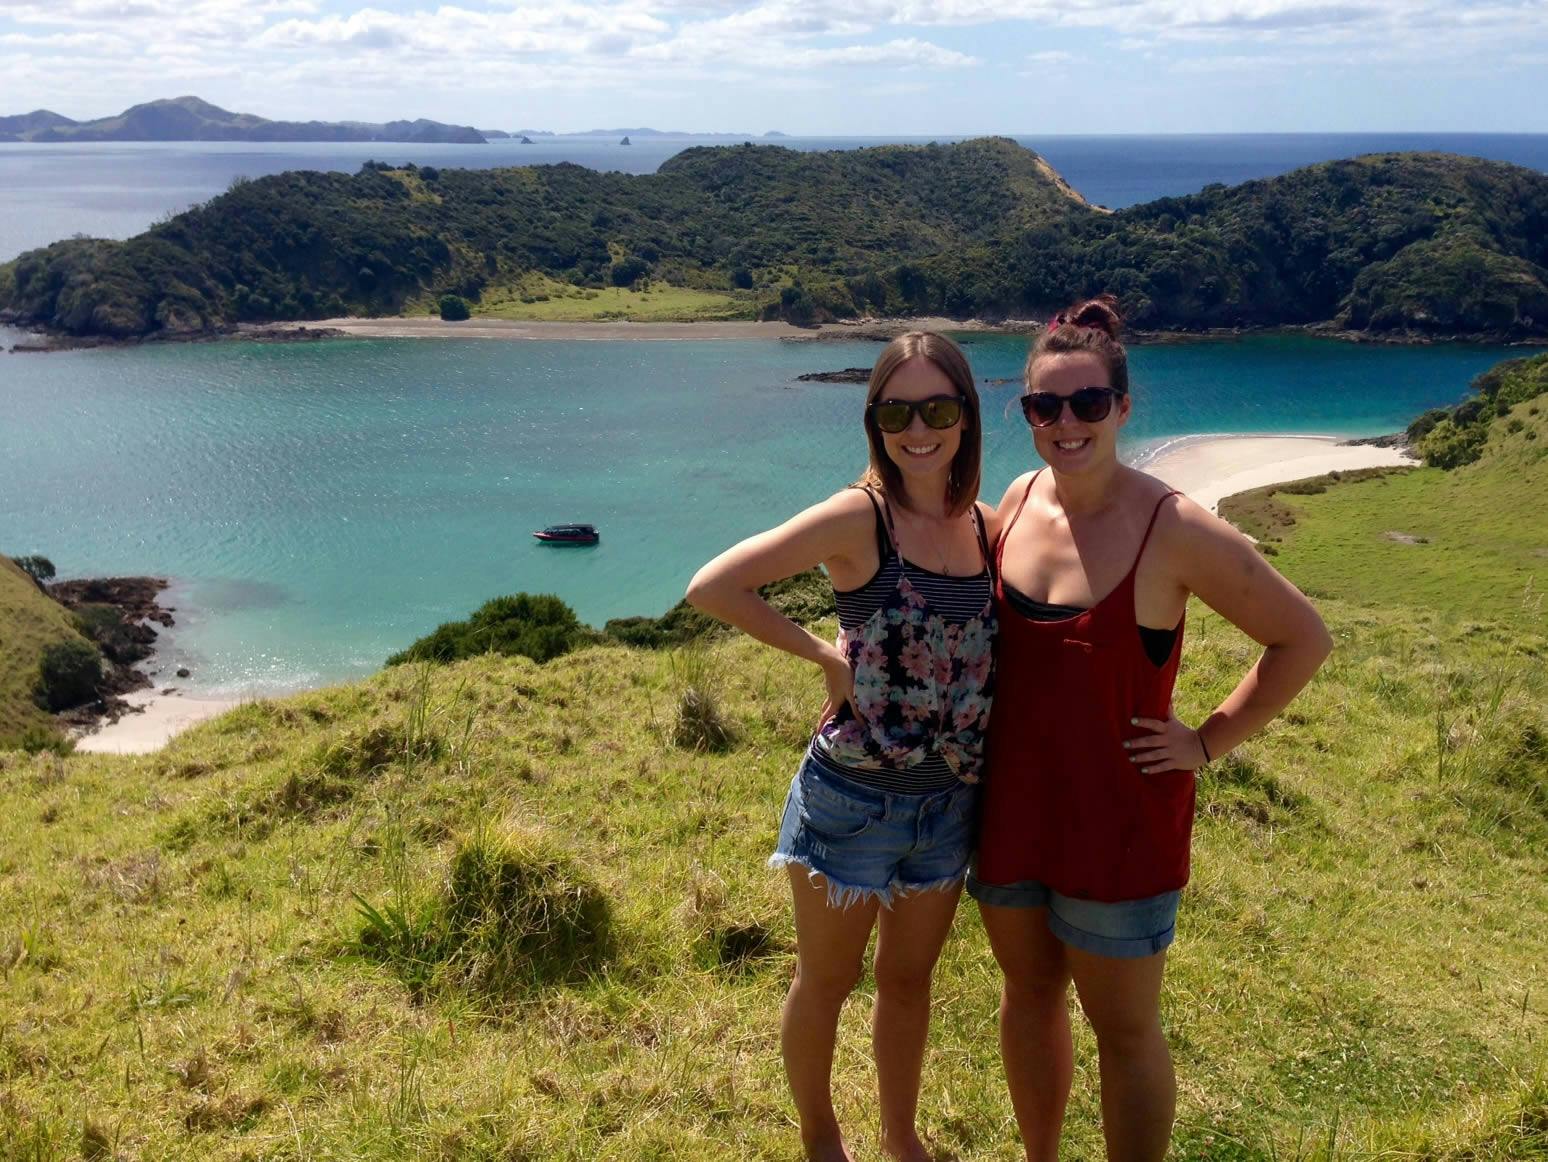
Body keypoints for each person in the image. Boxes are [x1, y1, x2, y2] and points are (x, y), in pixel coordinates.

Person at [968, 296, 1334, 1162]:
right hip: (1012, 810)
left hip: (1121, 824)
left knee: (1124, 1032)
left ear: (1124, 408)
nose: (1067, 423)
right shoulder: (1017, 500)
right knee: (1028, 997)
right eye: (1044, 406)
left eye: (1089, 403)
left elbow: (1302, 638)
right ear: (1026, 415)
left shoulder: (1174, 528)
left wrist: (1206, 741)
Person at [686, 331, 996, 1162]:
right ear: (874, 421)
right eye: (896, 410)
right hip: (852, 800)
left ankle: (902, 1139)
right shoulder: (858, 516)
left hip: (949, 801)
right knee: (826, 981)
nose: (917, 428)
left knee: (909, 981)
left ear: (965, 416)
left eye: (936, 408)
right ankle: (822, 1140)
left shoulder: (984, 527)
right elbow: (714, 586)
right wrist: (826, 657)